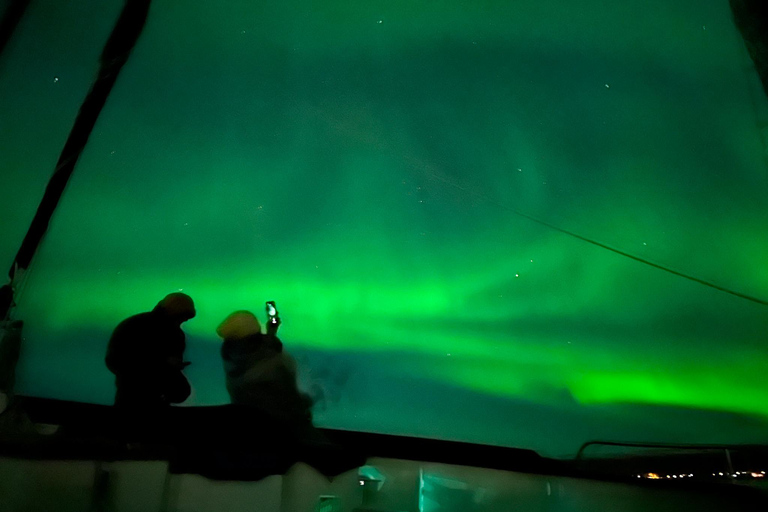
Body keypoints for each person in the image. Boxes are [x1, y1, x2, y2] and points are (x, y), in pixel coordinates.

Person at [217, 309, 314, 437]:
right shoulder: (274, 363)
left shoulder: (231, 357)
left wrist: (271, 333)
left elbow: (253, 354)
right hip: (276, 429)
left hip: (248, 424)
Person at [105, 293, 195, 418]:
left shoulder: (132, 324)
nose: (184, 321)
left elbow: (114, 360)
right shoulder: (173, 334)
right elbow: (116, 360)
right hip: (135, 396)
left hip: (132, 396)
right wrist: (165, 364)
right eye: (183, 317)